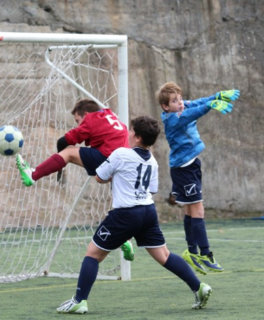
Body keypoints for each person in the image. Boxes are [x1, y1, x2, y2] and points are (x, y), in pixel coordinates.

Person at [56, 115, 212, 314]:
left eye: (130, 131)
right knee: (164, 255)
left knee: (93, 255)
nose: (127, 133)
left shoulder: (120, 153)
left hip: (125, 214)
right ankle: (199, 287)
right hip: (148, 211)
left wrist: (116, 175)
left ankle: (79, 301)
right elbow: (152, 189)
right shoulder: (153, 162)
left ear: (137, 137)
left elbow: (99, 177)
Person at [15, 98, 134, 261]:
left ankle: (32, 175)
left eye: (78, 120)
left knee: (69, 152)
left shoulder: (91, 119)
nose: (79, 124)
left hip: (109, 158)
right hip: (126, 162)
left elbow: (63, 141)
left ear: (85, 114)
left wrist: (60, 162)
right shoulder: (110, 115)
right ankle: (126, 239)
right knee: (120, 202)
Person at [156, 81, 240, 275]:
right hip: (183, 169)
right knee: (198, 210)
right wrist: (210, 106)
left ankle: (192, 251)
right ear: (165, 106)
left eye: (180, 98)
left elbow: (197, 103)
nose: (180, 103)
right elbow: (193, 113)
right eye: (174, 101)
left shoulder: (181, 106)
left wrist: (216, 97)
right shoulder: (173, 118)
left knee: (190, 209)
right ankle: (205, 253)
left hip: (191, 164)